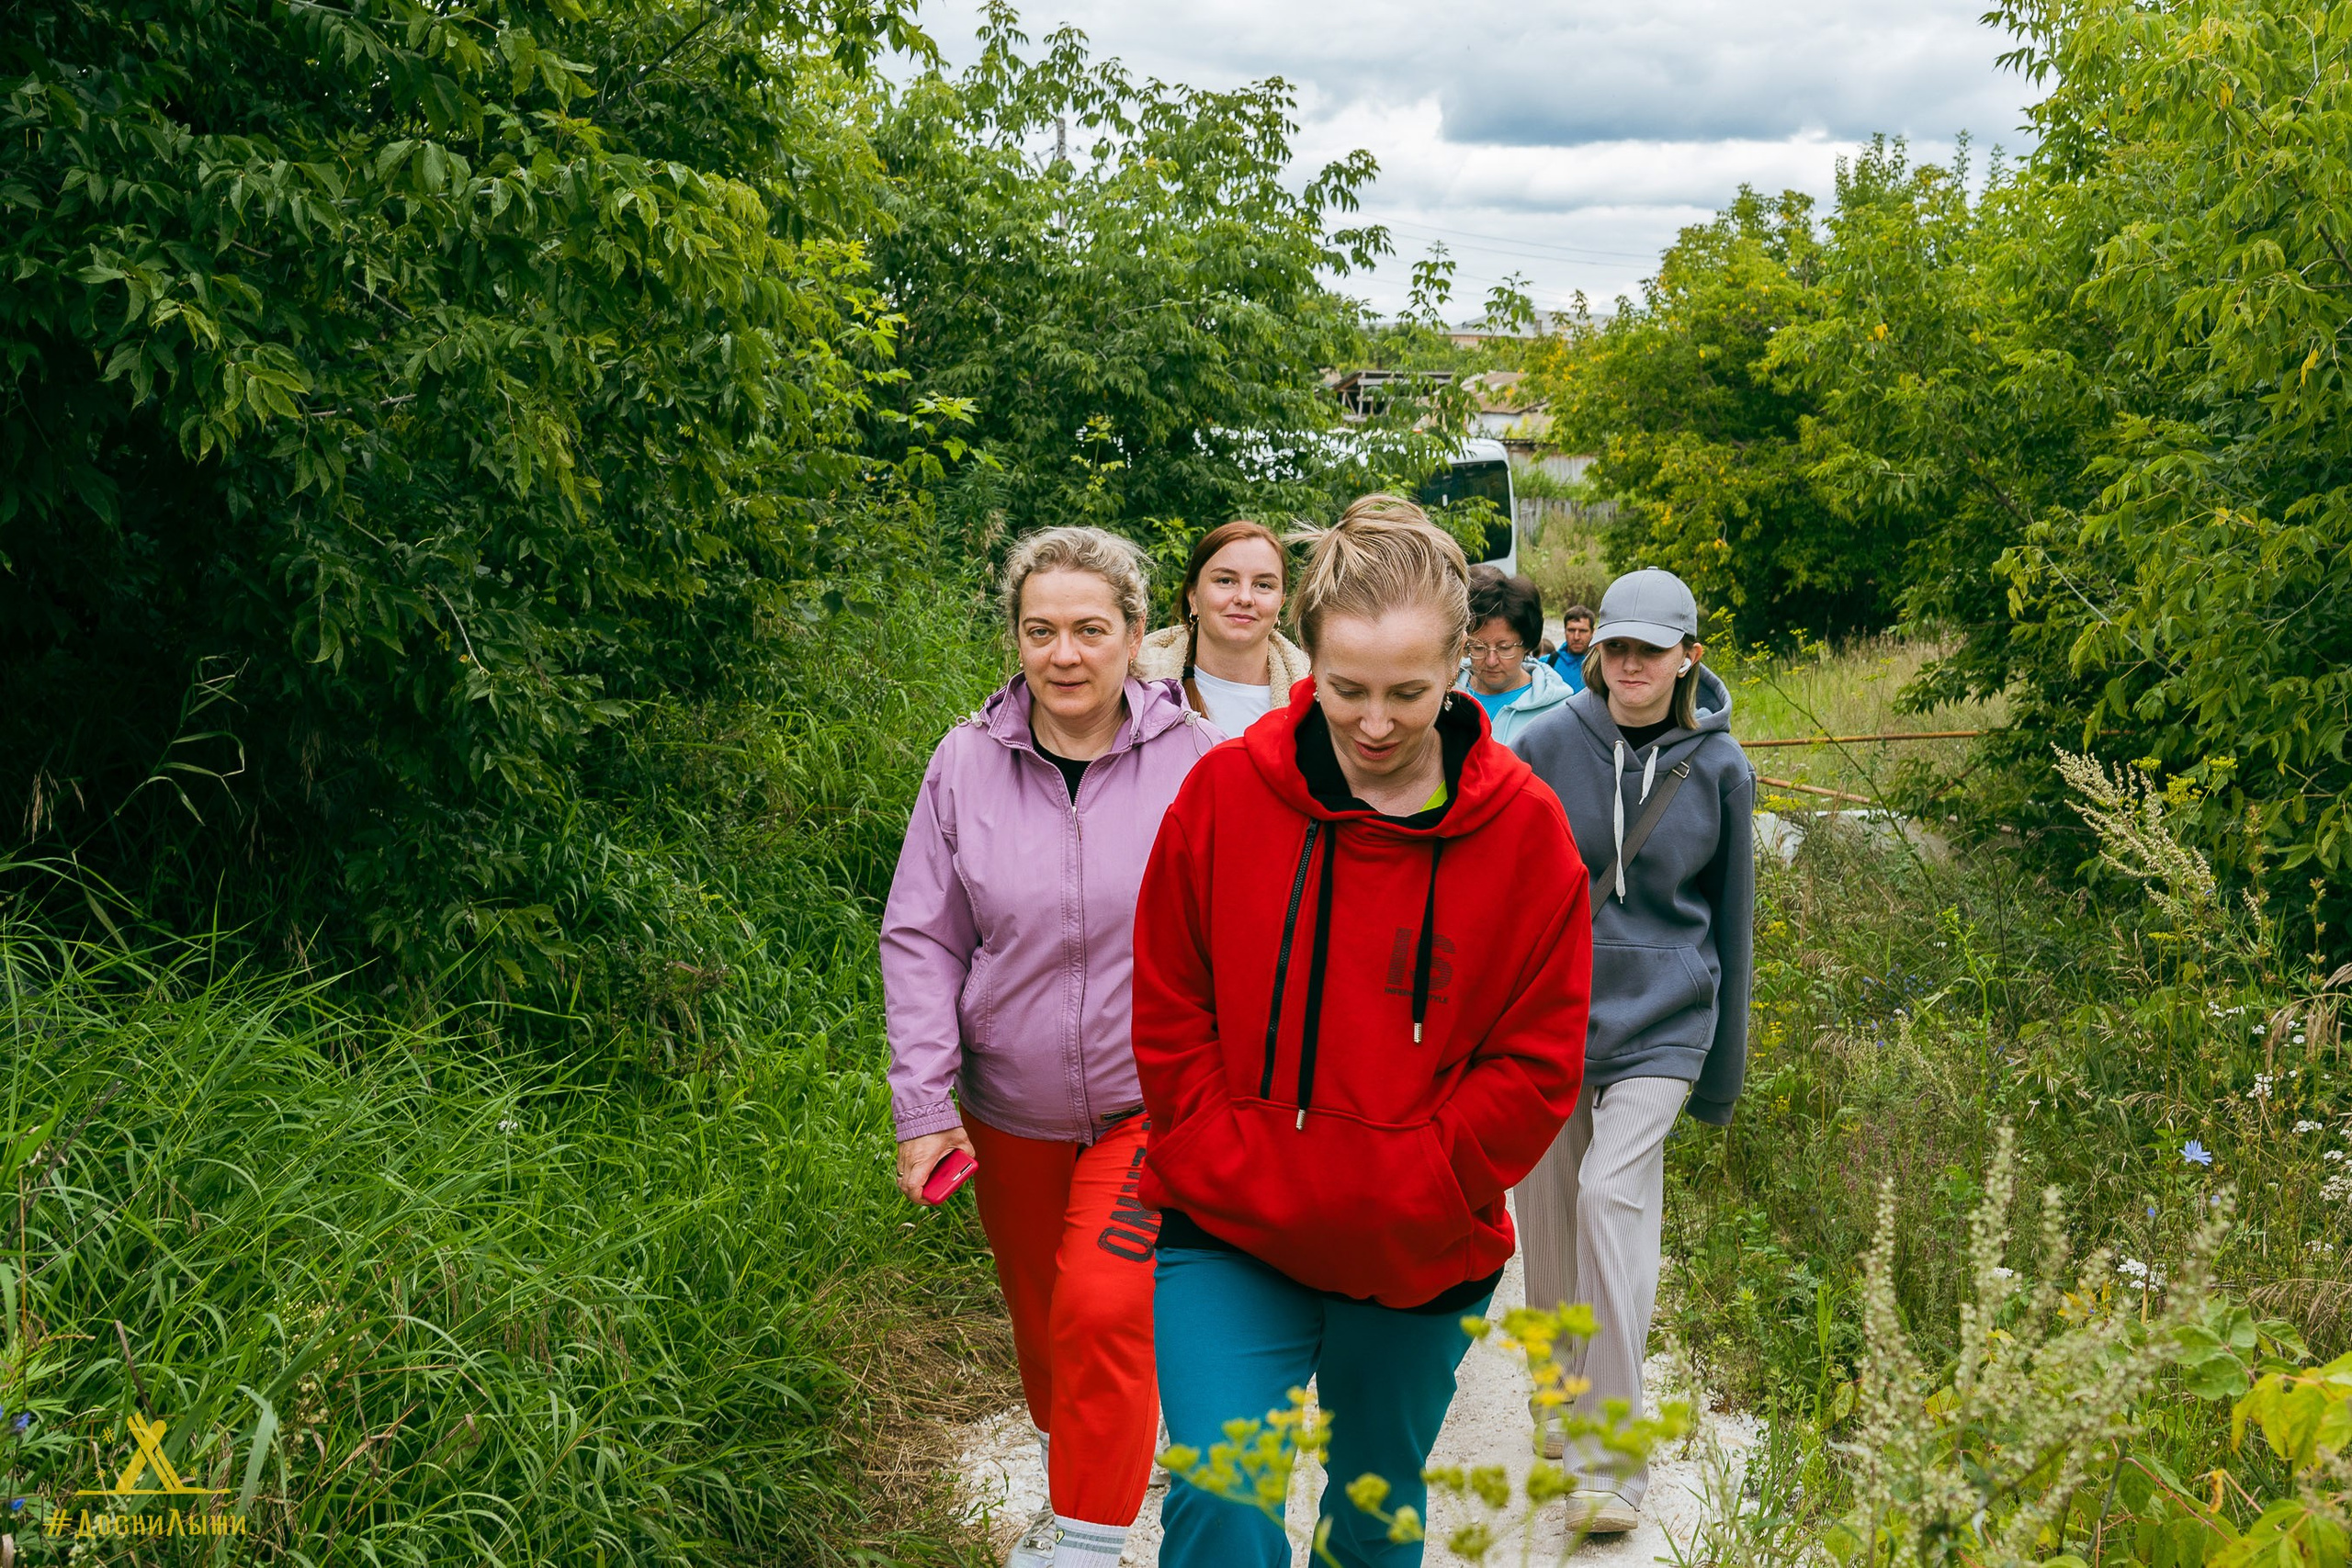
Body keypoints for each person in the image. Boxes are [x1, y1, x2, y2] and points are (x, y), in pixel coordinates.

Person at [1133, 495, 1593, 1568]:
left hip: (1416, 1245)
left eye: (1407, 693)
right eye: (1345, 691)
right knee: (1219, 1502)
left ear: (1458, 671)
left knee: (1372, 1520)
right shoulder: (1222, 796)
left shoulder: (1525, 836)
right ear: (1308, 664)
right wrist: (1213, 1143)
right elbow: (1167, 997)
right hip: (1231, 1224)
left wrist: (1419, 1175)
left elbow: (1537, 1061)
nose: (1375, 724)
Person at [881, 525, 1223, 1568]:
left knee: (1102, 1306)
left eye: (1088, 629)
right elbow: (922, 938)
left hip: (1147, 1104)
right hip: (1009, 1103)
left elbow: (1245, 930)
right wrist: (924, 1104)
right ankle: (1078, 1468)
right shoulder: (964, 762)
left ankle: (1083, 1538)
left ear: (1135, 636)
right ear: (1015, 639)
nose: (1063, 654)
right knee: (1041, 1321)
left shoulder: (1198, 760)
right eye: (1040, 631)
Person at [1506, 568, 1755, 1533]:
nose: (1630, 665)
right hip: (1552, 1016)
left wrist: (1720, 1077)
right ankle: (1557, 1400)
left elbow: (1731, 926)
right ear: (1594, 649)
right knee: (1550, 1216)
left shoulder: (1720, 764)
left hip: (1664, 1019)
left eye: (1651, 649)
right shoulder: (1539, 747)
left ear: (1687, 654)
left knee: (1611, 1198)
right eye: (1616, 647)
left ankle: (1613, 1462)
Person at [1135, 519, 1311, 737]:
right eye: (1226, 580)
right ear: (1194, 598)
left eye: (1263, 585)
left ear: (1280, 603)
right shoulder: (1135, 685)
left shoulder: (1317, 697)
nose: (1244, 598)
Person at [1456, 567, 1572, 745]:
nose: (1491, 661)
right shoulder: (1447, 694)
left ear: (1527, 644)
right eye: (1479, 648)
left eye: (1504, 648)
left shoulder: (1558, 711)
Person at [1546, 603, 1595, 692]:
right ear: (1565, 631)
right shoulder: (1547, 663)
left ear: (1592, 632)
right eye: (1571, 630)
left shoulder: (1601, 666)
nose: (1576, 637)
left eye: (1583, 631)